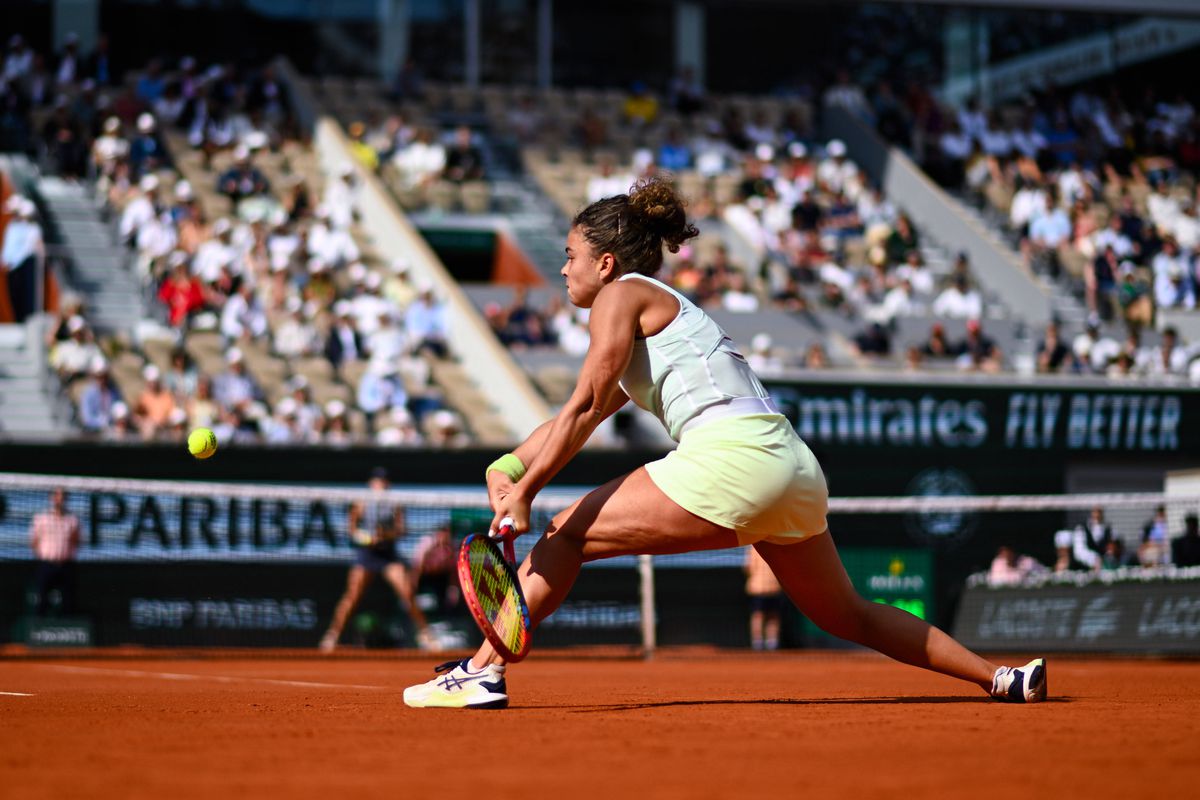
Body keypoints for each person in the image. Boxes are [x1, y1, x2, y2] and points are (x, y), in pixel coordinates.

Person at [403, 177, 1046, 709]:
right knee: (847, 613)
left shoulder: (619, 294)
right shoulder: (658, 317)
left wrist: (527, 494)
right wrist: (511, 464)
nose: (563, 267)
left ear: (605, 262)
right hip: (792, 466)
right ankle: (1000, 678)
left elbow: (586, 404)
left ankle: (482, 672)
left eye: (570, 254)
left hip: (732, 456)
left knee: (564, 536)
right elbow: (591, 411)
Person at [320, 468, 431, 651]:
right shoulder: (361, 502)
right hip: (367, 554)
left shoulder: (395, 504)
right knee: (352, 596)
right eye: (378, 481)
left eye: (384, 481)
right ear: (371, 483)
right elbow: (352, 529)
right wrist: (365, 538)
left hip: (388, 554)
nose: (381, 484)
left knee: (407, 593)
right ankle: (332, 635)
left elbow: (401, 530)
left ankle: (426, 635)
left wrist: (386, 535)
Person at [30, 488, 81, 616]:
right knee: (41, 597)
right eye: (57, 495)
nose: (60, 499)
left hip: (66, 565)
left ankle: (68, 627)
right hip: (46, 564)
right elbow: (34, 541)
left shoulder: (72, 519)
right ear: (52, 498)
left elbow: (76, 541)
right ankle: (38, 627)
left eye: (63, 496)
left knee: (68, 599)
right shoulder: (41, 518)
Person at [745, 547, 784, 651]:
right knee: (772, 616)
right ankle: (771, 643)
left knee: (758, 615)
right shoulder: (778, 547)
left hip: (759, 588)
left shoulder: (753, 548)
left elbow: (748, 567)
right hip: (772, 587)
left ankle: (758, 643)